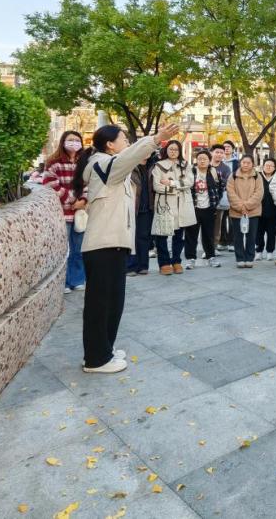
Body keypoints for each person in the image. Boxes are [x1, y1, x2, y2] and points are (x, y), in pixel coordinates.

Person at [74, 122, 179, 374]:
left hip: (115, 243)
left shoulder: (112, 166)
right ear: (110, 144)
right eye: (123, 139)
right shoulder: (102, 163)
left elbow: (129, 159)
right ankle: (96, 359)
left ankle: (105, 349)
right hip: (103, 244)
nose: (127, 144)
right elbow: (130, 157)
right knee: (101, 305)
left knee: (113, 302)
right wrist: (156, 139)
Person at [42, 130, 88, 293]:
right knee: (64, 250)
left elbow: (89, 183)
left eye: (77, 140)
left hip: (80, 213)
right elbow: (51, 185)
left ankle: (78, 279)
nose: (74, 142)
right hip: (62, 213)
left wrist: (83, 200)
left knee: (79, 249)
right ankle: (65, 282)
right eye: (70, 140)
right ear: (63, 142)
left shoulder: (85, 162)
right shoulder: (53, 162)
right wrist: (73, 200)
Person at [151, 140, 195, 274]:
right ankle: (164, 263)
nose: (173, 152)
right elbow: (157, 186)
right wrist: (177, 189)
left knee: (179, 235)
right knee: (162, 234)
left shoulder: (185, 165)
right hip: (165, 204)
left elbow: (190, 182)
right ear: (166, 150)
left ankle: (176, 261)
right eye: (171, 149)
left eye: (176, 149)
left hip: (182, 205)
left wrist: (172, 183)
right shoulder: (159, 166)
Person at [186, 149, 223, 268]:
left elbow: (220, 187)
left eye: (205, 159)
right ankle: (191, 259)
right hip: (193, 208)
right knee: (191, 235)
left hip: (209, 208)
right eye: (200, 159)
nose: (202, 161)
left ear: (209, 160)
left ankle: (211, 257)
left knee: (209, 235)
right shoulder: (190, 172)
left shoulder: (214, 172)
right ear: (196, 160)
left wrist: (215, 201)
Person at [126, 146, 158, 277]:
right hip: (132, 207)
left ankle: (143, 266)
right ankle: (130, 266)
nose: (145, 153)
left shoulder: (153, 166)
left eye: (148, 151)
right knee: (131, 237)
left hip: (147, 207)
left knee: (144, 237)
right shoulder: (130, 166)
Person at [227, 154, 263, 268]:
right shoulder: (233, 176)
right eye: (244, 162)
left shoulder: (257, 176)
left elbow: (259, 193)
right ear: (240, 163)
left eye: (248, 163)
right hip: (236, 211)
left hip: (253, 211)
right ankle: (240, 258)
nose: (246, 165)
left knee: (251, 236)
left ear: (252, 164)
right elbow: (230, 193)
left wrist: (247, 206)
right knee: (237, 236)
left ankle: (249, 258)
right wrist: (240, 207)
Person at [211, 144, 233, 251]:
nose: (219, 154)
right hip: (203, 200)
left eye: (221, 153)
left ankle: (214, 246)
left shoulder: (225, 168)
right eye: (217, 152)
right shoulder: (206, 165)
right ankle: (207, 246)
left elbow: (225, 183)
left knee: (217, 224)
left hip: (218, 200)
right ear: (212, 153)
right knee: (205, 225)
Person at [256, 158, 276, 261]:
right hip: (259, 210)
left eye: (271, 165)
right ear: (263, 166)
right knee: (259, 232)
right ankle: (259, 251)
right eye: (266, 165)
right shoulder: (258, 176)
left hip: (273, 211)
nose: (268, 167)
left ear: (275, 168)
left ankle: (270, 251)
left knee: (271, 232)